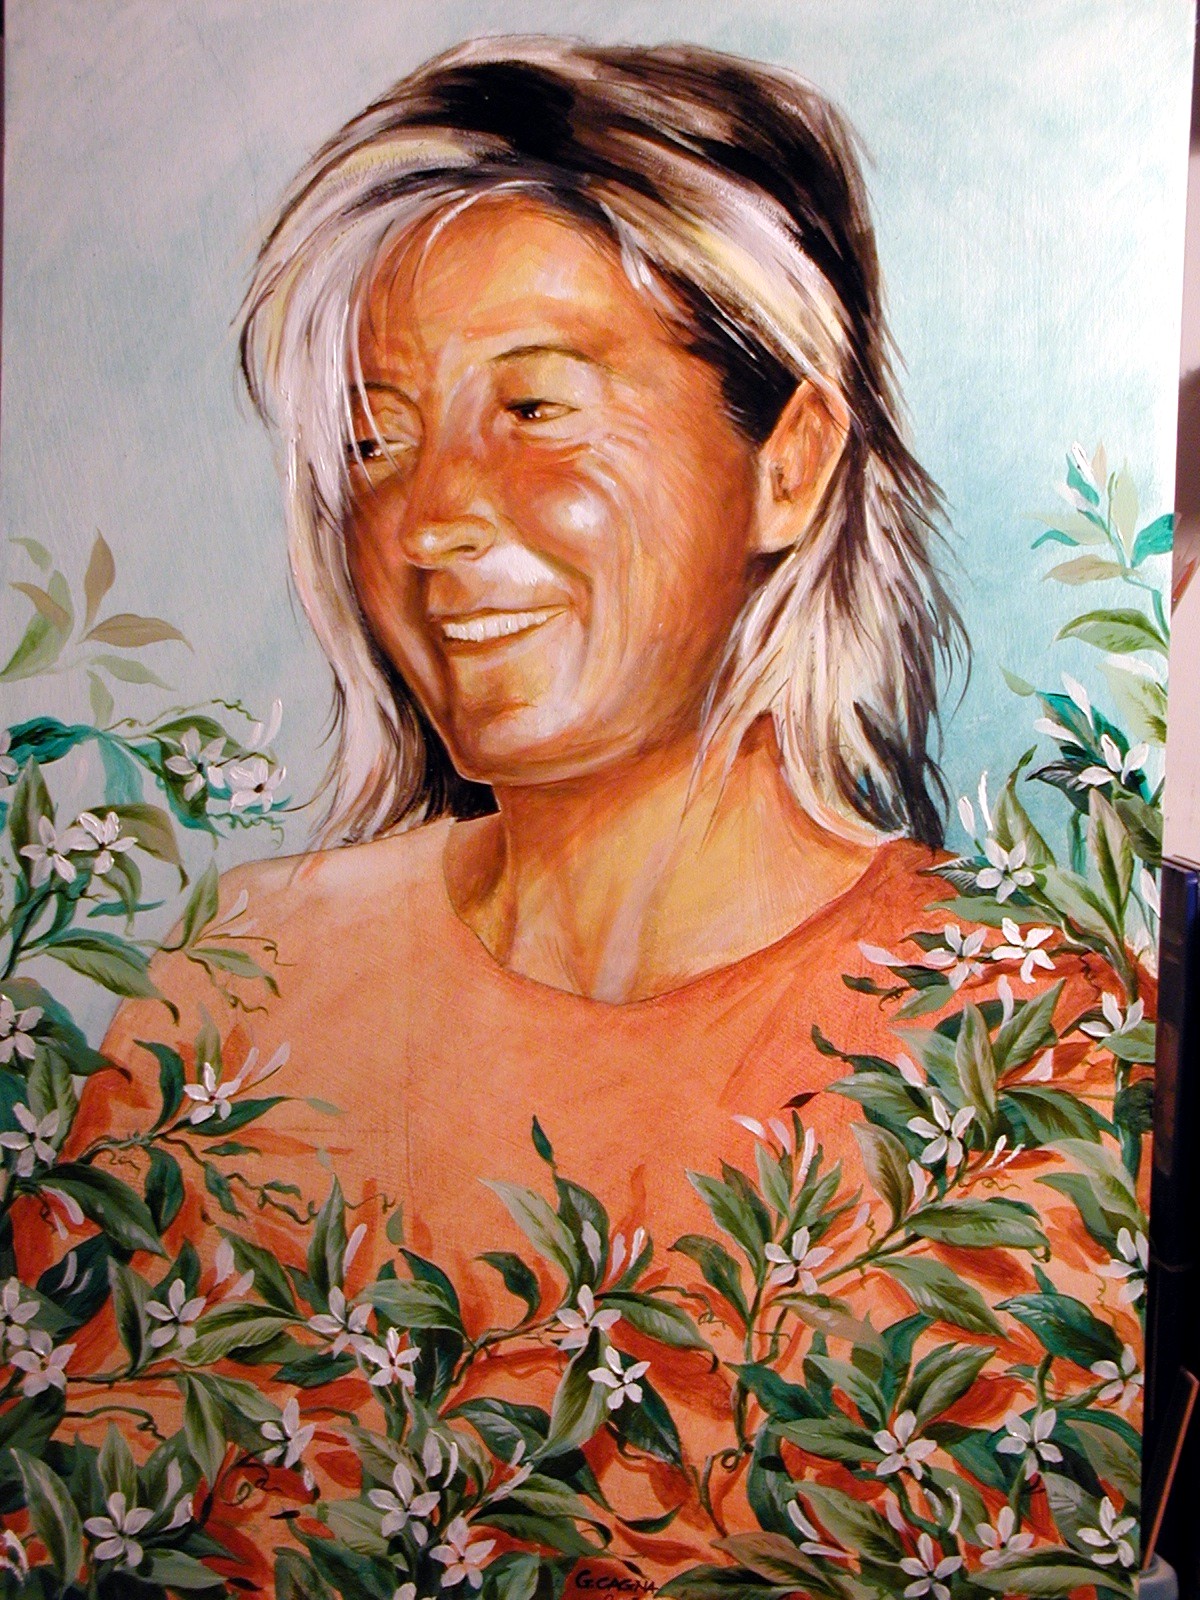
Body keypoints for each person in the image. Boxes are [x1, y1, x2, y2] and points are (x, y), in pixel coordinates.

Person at [93, 37, 1134, 1597]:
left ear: (790, 463)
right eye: (377, 439)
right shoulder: (234, 995)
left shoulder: (1016, 1056)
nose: (428, 519)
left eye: (535, 407)